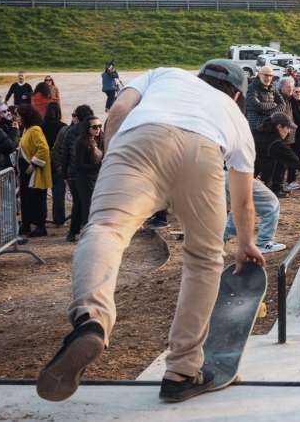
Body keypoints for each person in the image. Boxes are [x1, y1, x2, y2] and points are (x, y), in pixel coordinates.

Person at [37, 60, 264, 404]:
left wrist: (116, 159)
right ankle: (183, 370)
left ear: (199, 77)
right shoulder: (235, 118)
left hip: (139, 139)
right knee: (204, 259)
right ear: (236, 95)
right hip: (204, 152)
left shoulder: (165, 75)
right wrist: (246, 243)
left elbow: (119, 109)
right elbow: (244, 201)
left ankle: (92, 319)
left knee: (106, 228)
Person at [16, 105, 52, 238]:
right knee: (26, 198)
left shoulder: (35, 130)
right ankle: (27, 224)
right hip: (26, 172)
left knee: (37, 199)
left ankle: (40, 226)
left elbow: (44, 148)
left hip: (34, 172)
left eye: (19, 115)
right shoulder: (26, 129)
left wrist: (33, 164)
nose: (17, 118)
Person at [67, 116, 104, 242]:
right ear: (87, 128)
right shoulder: (82, 142)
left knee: (86, 206)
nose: (98, 129)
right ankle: (86, 235)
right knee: (86, 207)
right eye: (94, 127)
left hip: (95, 178)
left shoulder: (99, 139)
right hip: (84, 179)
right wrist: (97, 166)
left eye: (100, 126)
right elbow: (79, 165)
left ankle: (77, 233)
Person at [42, 101, 67, 225]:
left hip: (43, 162)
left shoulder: (41, 126)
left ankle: (41, 218)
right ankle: (59, 219)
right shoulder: (63, 126)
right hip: (58, 163)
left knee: (41, 193)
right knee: (58, 193)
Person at [245, 66, 283, 131]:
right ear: (259, 75)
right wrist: (273, 104)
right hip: (256, 127)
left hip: (271, 124)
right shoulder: (252, 88)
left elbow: (282, 104)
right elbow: (257, 105)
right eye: (266, 75)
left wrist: (271, 114)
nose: (268, 78)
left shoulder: (273, 87)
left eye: (270, 76)